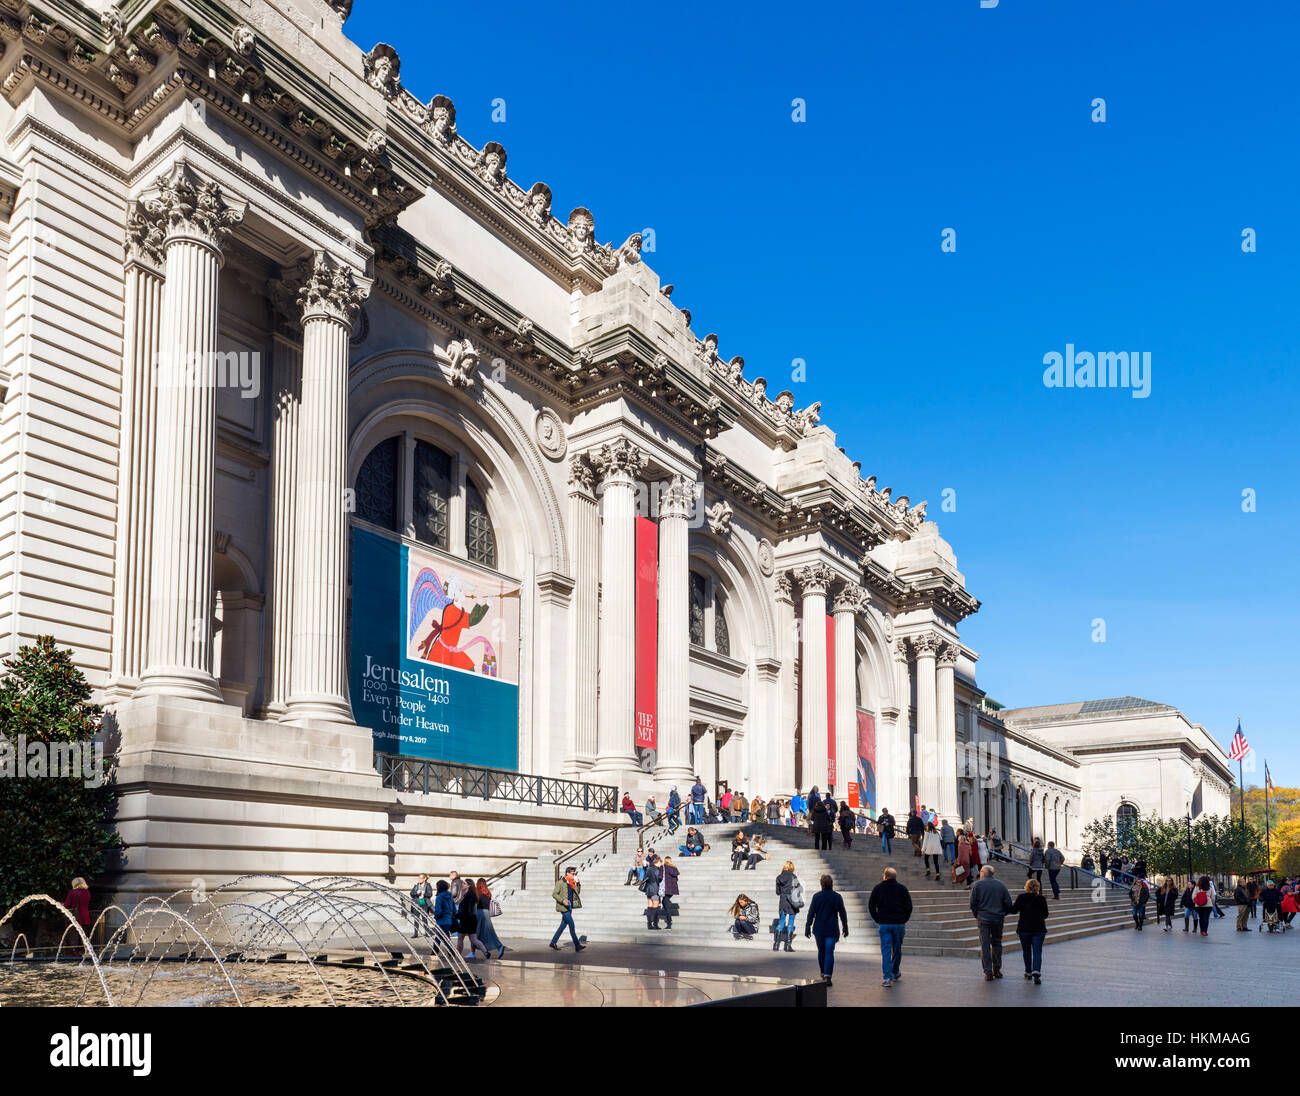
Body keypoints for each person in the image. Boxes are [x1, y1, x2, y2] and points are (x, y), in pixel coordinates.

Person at [868, 866, 912, 988]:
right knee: (897, 949)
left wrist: (878, 919)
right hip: (899, 923)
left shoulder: (878, 888)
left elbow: (871, 906)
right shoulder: (902, 889)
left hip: (885, 924)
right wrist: (904, 919)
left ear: (885, 876)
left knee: (886, 951)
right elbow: (909, 906)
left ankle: (887, 978)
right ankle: (895, 971)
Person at [969, 865, 1014, 980]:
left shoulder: (977, 885)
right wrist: (1003, 913)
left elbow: (972, 903)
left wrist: (977, 915)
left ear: (983, 873)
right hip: (998, 918)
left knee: (985, 944)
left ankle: (988, 971)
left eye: (980, 872)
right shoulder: (1001, 885)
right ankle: (997, 969)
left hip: (983, 918)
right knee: (997, 943)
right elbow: (1008, 903)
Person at [804, 874, 849, 986]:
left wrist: (807, 927)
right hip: (832, 929)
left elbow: (811, 913)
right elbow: (842, 913)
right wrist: (845, 926)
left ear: (821, 884)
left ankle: (823, 973)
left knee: (821, 951)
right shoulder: (837, 897)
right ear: (832, 884)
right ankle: (828, 977)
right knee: (829, 952)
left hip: (819, 929)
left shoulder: (816, 897)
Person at [1010, 877, 1049, 984]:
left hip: (1024, 928)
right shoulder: (1041, 899)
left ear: (1027, 887)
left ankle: (1028, 972)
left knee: (1026, 951)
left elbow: (1014, 910)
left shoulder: (1022, 897)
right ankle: (1036, 971)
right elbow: (1046, 915)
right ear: (1037, 887)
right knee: (1037, 951)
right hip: (1039, 929)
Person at [549, 865, 586, 952]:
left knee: (562, 926)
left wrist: (578, 883)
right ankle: (577, 945)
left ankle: (553, 942)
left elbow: (577, 892)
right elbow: (554, 894)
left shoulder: (572, 883)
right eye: (573, 874)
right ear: (567, 873)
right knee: (572, 925)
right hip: (563, 907)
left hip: (569, 906)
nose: (574, 875)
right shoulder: (560, 882)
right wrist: (562, 900)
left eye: (575, 874)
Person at [774, 860, 801, 952]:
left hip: (783, 901)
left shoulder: (778, 877)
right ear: (791, 868)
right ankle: (787, 946)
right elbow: (799, 888)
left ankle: (776, 945)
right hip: (792, 901)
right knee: (790, 923)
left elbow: (777, 892)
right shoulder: (793, 876)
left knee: (781, 922)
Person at [475, 878, 506, 959]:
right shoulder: (487, 894)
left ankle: (480, 952)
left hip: (480, 913)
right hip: (486, 913)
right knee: (488, 932)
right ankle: (497, 947)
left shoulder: (478, 894)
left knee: (475, 933)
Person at [457, 881, 488, 959]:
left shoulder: (468, 896)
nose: (462, 885)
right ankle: (486, 952)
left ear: (469, 885)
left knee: (460, 938)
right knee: (474, 939)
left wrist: (457, 915)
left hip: (466, 920)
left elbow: (466, 910)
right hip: (472, 920)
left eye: (464, 883)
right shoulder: (472, 895)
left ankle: (458, 955)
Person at [63, 878, 91, 954]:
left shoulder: (72, 892)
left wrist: (61, 904)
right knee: (84, 936)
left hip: (76, 917)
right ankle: (84, 952)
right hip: (85, 917)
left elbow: (67, 905)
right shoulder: (87, 892)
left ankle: (75, 952)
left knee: (75, 937)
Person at [642, 854, 663, 930]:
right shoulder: (657, 870)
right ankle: (655, 924)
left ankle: (649, 924)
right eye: (661, 863)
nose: (661, 865)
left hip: (649, 889)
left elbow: (645, 878)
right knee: (655, 908)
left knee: (650, 907)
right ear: (658, 862)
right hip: (655, 890)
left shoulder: (649, 869)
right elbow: (659, 880)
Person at [659, 856, 680, 929]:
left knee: (666, 904)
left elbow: (660, 877)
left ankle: (669, 923)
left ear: (665, 861)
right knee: (665, 902)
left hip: (666, 888)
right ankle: (668, 914)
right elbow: (676, 878)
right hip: (672, 889)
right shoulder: (674, 868)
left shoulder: (663, 867)